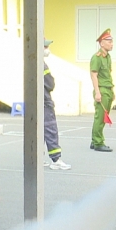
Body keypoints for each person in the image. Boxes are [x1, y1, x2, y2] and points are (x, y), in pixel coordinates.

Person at [42, 39, 70, 170]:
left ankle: (38, 158)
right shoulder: (42, 65)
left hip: (36, 101)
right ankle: (56, 159)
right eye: (45, 46)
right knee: (50, 128)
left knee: (39, 130)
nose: (48, 49)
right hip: (45, 101)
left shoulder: (32, 63)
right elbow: (50, 84)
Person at [89, 28, 114, 152]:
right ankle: (98, 142)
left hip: (108, 89)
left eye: (111, 41)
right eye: (109, 41)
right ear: (101, 43)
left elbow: (108, 75)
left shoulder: (107, 57)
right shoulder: (97, 57)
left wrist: (112, 91)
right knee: (100, 117)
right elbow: (94, 75)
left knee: (103, 117)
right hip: (102, 90)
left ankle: (95, 140)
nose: (111, 43)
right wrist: (97, 92)